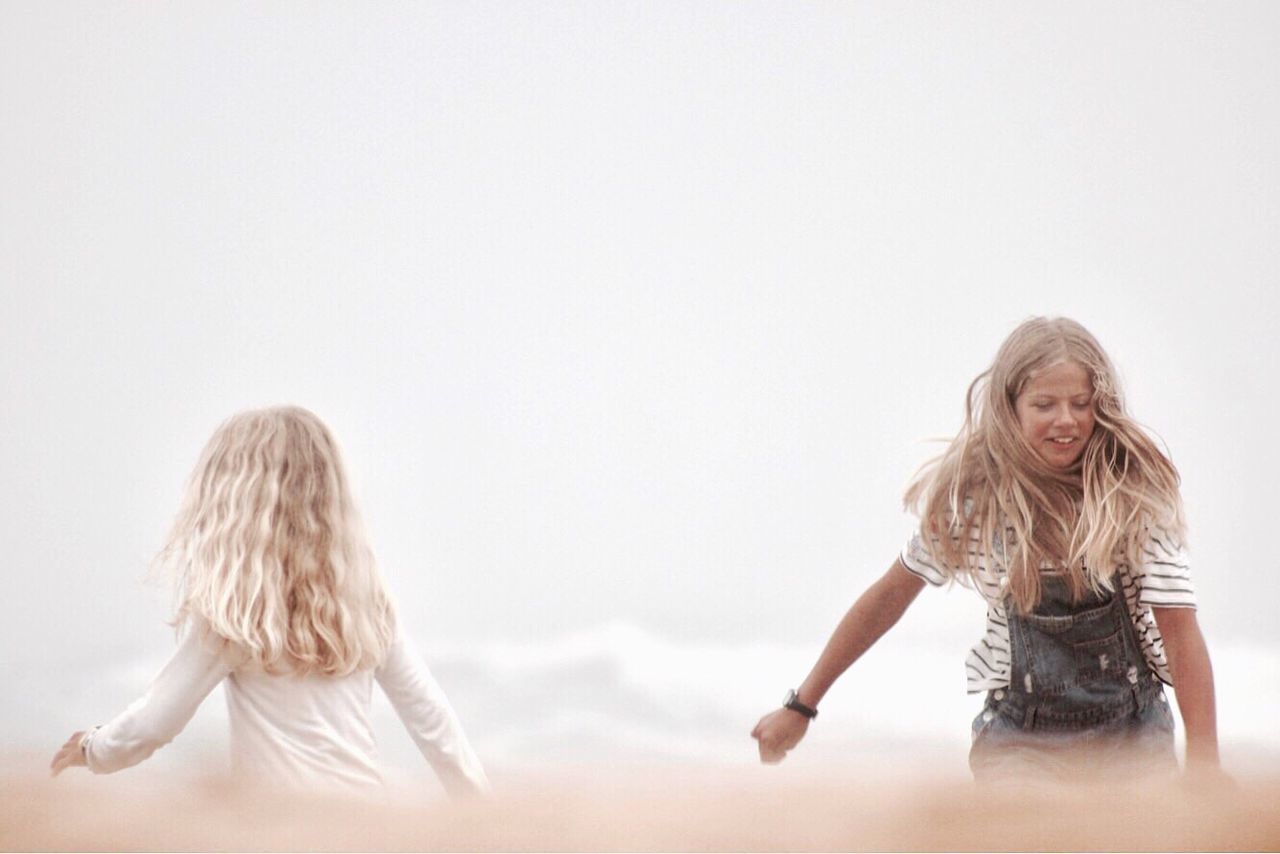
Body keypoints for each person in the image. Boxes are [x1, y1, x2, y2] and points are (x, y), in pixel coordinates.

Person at [750, 317, 1220, 782]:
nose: (1066, 419)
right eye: (1044, 404)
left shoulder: (1131, 500)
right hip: (1019, 741)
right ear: (1010, 408)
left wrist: (1204, 765)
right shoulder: (977, 505)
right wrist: (801, 705)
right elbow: (889, 597)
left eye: (1081, 403)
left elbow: (1179, 630)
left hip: (1132, 737)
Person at [50, 406, 490, 797]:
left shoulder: (237, 620)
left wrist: (95, 748)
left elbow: (154, 724)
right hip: (364, 824)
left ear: (235, 500)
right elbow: (432, 720)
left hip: (280, 828)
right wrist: (483, 813)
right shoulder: (365, 606)